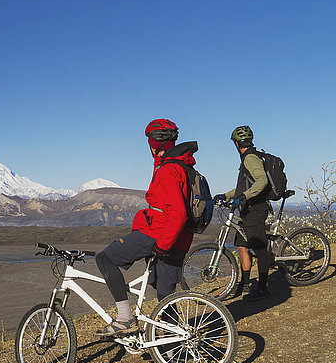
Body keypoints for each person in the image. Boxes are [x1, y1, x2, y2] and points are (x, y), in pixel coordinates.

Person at [94, 118, 198, 336]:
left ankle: (124, 318)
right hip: (180, 238)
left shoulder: (169, 170)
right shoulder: (182, 165)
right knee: (165, 295)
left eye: (149, 141)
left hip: (160, 233)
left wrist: (162, 245)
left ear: (155, 143)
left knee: (105, 258)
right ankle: (171, 350)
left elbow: (177, 213)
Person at [214, 125, 272, 301]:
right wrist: (226, 195)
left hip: (255, 209)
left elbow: (262, 181)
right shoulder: (247, 158)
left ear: (237, 143)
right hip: (248, 210)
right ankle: (245, 285)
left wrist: (244, 197)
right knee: (241, 245)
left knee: (260, 248)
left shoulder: (250, 158)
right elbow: (242, 187)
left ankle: (262, 288)